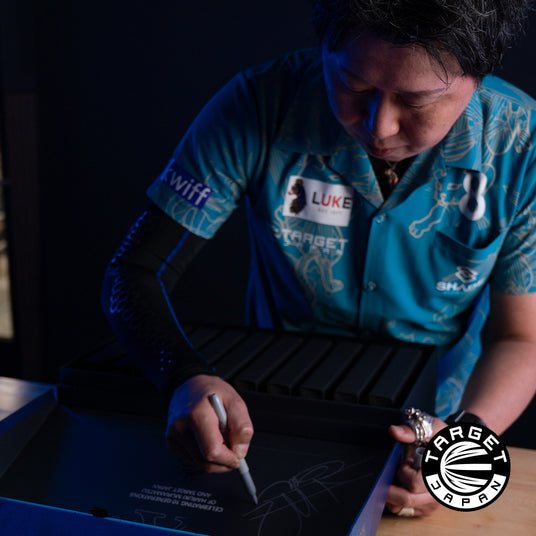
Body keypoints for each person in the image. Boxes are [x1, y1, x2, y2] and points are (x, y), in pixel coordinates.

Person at [101, 0, 536, 518]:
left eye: (415, 101)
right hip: (265, 420)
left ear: (478, 77)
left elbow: (521, 338)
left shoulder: (522, 141)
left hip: (430, 428)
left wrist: (461, 448)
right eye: (353, 85)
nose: (379, 126)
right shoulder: (262, 102)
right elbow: (134, 270)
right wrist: (181, 376)